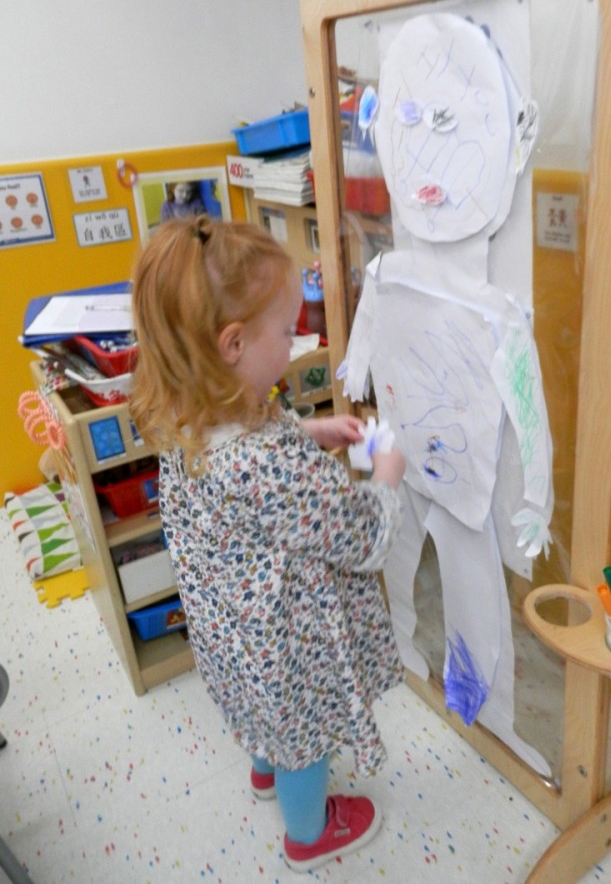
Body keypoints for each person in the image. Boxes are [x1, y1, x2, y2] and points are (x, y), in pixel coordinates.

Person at [129, 215, 406, 873]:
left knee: (260, 707)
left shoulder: (185, 412)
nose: (294, 341)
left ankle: (264, 766)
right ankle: (308, 834)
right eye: (286, 331)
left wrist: (309, 432)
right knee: (301, 738)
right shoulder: (267, 465)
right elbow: (362, 536)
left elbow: (247, 458)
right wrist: (386, 476)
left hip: (228, 630)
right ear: (231, 344)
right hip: (284, 644)